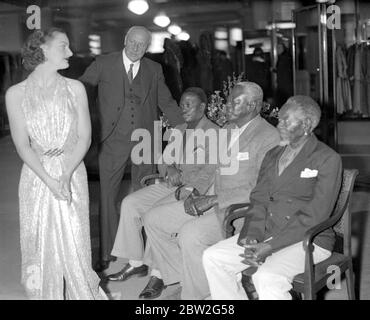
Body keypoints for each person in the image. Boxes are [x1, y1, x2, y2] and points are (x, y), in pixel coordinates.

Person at [143, 82, 280, 299]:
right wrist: (195, 191)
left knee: (190, 235)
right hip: (213, 201)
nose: (226, 106)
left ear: (253, 105)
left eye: (233, 102)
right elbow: (211, 169)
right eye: (227, 100)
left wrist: (214, 199)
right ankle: (187, 279)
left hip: (240, 213)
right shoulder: (226, 129)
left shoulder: (269, 137)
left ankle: (196, 295)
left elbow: (261, 188)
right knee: (153, 219)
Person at [202, 95, 342, 300]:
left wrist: (270, 246)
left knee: (267, 276)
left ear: (307, 124)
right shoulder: (273, 155)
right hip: (267, 231)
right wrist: (252, 236)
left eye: (287, 120)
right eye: (280, 119)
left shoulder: (327, 158)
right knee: (213, 257)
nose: (279, 124)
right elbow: (259, 199)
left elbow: (317, 214)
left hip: (309, 239)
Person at [5, 28, 107, 300]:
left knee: (75, 241)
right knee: (38, 243)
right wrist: (48, 179)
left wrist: (64, 174)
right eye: (64, 46)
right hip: (36, 176)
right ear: (43, 49)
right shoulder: (15, 94)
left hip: (71, 171)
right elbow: (22, 145)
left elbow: (85, 137)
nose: (71, 53)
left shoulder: (75, 89)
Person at [79, 26, 183, 271]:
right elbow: (79, 91)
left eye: (142, 45)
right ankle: (108, 252)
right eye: (133, 42)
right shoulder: (103, 63)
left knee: (143, 196)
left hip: (144, 141)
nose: (137, 48)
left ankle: (143, 252)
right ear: (125, 40)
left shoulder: (154, 69)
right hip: (111, 140)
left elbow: (165, 101)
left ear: (148, 47)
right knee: (106, 196)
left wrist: (184, 126)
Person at [105, 87, 218, 299]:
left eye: (188, 104)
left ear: (202, 107)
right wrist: (171, 169)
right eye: (181, 104)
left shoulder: (214, 132)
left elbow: (211, 170)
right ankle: (136, 263)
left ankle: (158, 274)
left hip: (190, 190)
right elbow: (164, 161)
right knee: (130, 203)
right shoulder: (179, 129)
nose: (183, 109)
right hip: (170, 185)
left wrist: (191, 188)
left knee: (155, 215)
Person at [275, 43, 293, 107]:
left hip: (285, 83)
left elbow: (282, 70)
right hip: (283, 82)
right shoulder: (282, 57)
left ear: (283, 48)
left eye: (279, 48)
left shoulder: (284, 57)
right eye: (277, 48)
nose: (278, 50)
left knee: (283, 100)